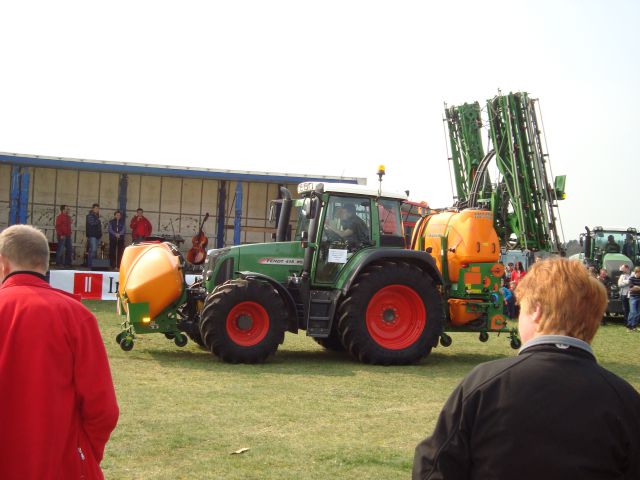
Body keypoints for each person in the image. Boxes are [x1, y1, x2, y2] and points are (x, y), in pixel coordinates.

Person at [413, 258, 640, 479]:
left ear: (536, 311)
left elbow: (435, 467)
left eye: (522, 308)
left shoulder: (484, 384)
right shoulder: (625, 400)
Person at [0, 224, 119, 479]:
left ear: (3, 263)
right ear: (45, 262)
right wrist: (83, 453)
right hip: (60, 465)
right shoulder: (76, 317)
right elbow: (103, 408)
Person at [86, 203, 102, 268]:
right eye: (95, 208)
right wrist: (98, 221)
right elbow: (92, 223)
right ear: (92, 209)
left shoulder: (97, 216)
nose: (97, 209)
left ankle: (90, 264)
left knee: (92, 250)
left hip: (97, 235)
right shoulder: (89, 216)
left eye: (98, 208)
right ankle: (91, 265)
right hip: (92, 235)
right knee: (93, 250)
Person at [627, 266, 640, 332]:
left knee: (638, 313)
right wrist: (637, 287)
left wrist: (636, 287)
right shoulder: (631, 278)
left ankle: (634, 326)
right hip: (633, 297)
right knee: (633, 312)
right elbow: (631, 288)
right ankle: (629, 326)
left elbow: (634, 287)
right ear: (636, 272)